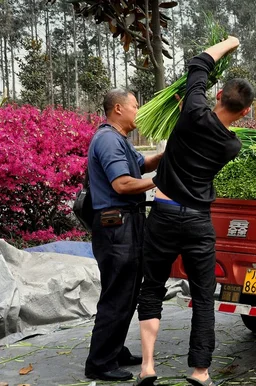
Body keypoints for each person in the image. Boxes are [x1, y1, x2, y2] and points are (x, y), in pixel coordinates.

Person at [136, 36, 255, 386]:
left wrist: (229, 43)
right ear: (245, 112)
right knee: (203, 296)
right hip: (198, 221)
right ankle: (200, 372)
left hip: (163, 213)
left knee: (152, 287)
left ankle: (147, 368)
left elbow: (199, 64)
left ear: (218, 95)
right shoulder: (232, 145)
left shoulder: (192, 111)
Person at [85, 89, 163, 381]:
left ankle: (113, 350)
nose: (138, 111)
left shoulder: (120, 140)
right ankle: (100, 363)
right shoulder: (107, 139)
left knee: (126, 292)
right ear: (118, 109)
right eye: (134, 106)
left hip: (124, 225)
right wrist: (161, 181)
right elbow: (122, 184)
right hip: (116, 227)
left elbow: (141, 165)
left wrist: (169, 155)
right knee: (118, 295)